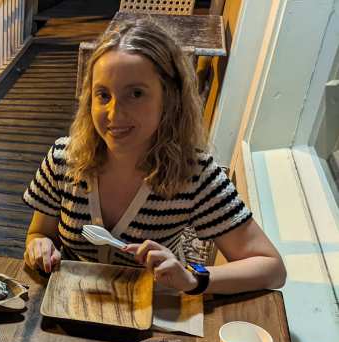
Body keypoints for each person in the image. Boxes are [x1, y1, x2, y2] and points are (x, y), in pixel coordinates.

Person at [23, 21, 286, 295]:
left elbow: (272, 268)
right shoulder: (64, 158)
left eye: (135, 94)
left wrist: (192, 278)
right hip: (70, 305)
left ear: (169, 99)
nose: (114, 114)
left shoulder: (194, 174)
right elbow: (39, 234)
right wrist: (39, 245)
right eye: (103, 95)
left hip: (154, 312)